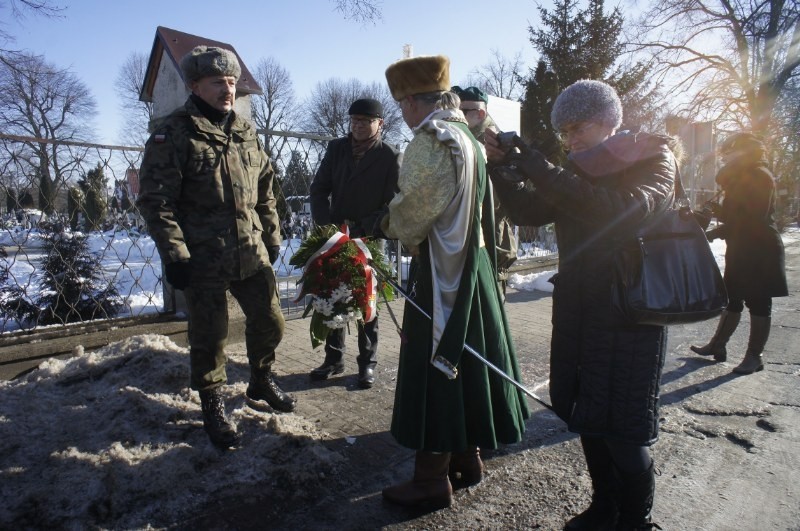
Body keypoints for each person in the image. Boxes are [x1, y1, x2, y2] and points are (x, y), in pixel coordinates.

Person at [486, 79, 676, 530]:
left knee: (624, 427)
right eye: (565, 133)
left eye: (578, 128)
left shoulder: (653, 157)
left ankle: (636, 521)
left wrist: (536, 162)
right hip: (578, 306)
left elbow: (621, 210)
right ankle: (604, 507)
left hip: (629, 312)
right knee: (587, 414)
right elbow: (532, 212)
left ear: (610, 121)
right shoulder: (577, 170)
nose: (571, 140)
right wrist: (503, 170)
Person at [379, 55, 529, 509]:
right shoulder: (468, 135)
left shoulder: (432, 139)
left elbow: (414, 210)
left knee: (439, 365)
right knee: (470, 359)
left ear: (409, 101)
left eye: (401, 104)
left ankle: (430, 480)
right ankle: (468, 457)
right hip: (476, 267)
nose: (402, 115)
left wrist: (387, 222)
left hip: (445, 273)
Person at [137, 46, 296, 450]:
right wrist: (175, 255)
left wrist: (272, 234)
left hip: (250, 249)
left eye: (231, 82)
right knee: (210, 336)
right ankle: (212, 402)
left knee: (271, 321)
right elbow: (157, 201)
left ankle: (260, 379)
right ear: (194, 85)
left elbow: (266, 188)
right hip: (203, 256)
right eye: (217, 83)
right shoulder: (174, 133)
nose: (227, 90)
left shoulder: (244, 130)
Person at [308, 98, 400, 388]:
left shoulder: (389, 155)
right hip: (336, 236)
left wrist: (364, 226)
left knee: (366, 301)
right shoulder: (337, 149)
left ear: (379, 124)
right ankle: (334, 359)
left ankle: (366, 363)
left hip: (369, 238)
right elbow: (319, 188)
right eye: (354, 121)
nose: (358, 126)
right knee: (333, 297)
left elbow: (393, 201)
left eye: (365, 121)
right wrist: (327, 227)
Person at [691, 132, 788, 374]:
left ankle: (754, 357)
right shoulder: (740, 178)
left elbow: (753, 219)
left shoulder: (760, 177)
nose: (726, 157)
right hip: (741, 247)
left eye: (730, 152)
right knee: (732, 297)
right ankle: (717, 346)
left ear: (743, 152)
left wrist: (715, 232)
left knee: (758, 301)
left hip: (760, 249)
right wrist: (716, 210)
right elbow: (736, 215)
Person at [452, 85, 518, 298]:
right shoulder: (461, 139)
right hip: (468, 236)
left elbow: (501, 198)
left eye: (464, 111)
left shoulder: (498, 145)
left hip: (491, 238)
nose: (457, 115)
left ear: (481, 113)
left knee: (490, 304)